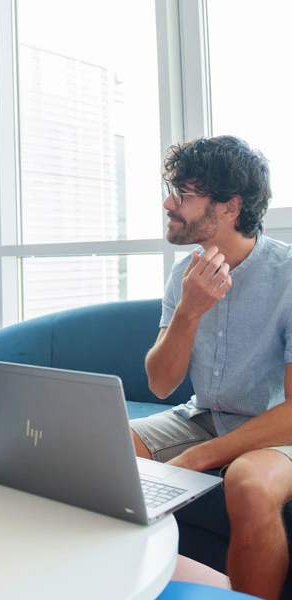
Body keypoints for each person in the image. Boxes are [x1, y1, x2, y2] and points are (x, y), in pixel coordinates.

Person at [131, 135, 292, 600]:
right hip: (203, 415)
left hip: (276, 428)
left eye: (182, 194)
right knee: (104, 450)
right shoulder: (183, 274)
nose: (168, 204)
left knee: (248, 483)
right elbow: (161, 384)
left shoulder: (287, 275)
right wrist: (189, 310)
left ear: (229, 207)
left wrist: (200, 457)